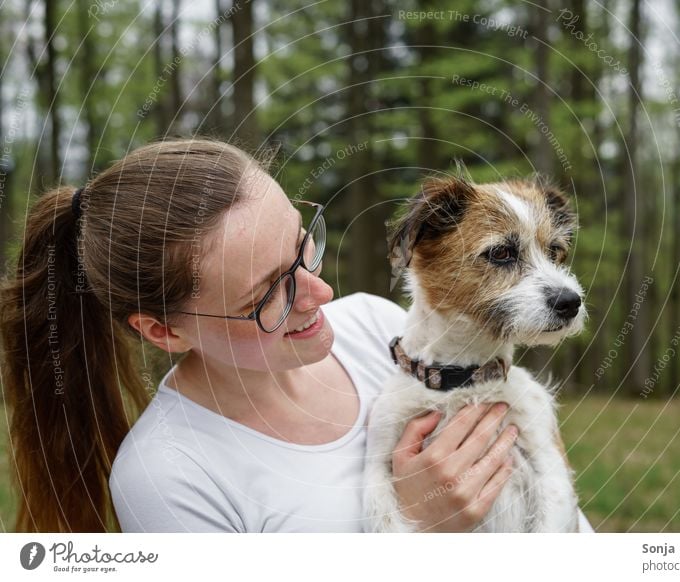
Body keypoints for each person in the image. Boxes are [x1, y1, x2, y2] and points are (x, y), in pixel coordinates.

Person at [0, 138, 593, 532]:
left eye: (302, 246)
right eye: (265, 296)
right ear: (163, 331)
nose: (320, 293)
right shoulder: (169, 476)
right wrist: (416, 525)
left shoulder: (376, 330)